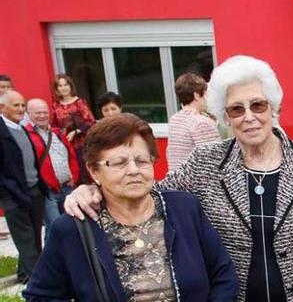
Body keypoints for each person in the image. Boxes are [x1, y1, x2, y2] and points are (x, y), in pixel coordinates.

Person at [66, 55, 293, 301]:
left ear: (273, 107)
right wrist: (93, 190)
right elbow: (151, 194)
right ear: (225, 116)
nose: (249, 117)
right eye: (237, 109)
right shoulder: (206, 162)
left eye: (258, 105)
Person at [24, 113, 239, 301]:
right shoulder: (74, 228)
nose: (134, 170)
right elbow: (40, 296)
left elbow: (223, 275)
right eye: (119, 163)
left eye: (142, 160)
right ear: (94, 171)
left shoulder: (184, 208)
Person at [0, 90, 46, 283]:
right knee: (25, 239)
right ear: (3, 107)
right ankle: (40, 282)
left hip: (34, 189)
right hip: (13, 194)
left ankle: (24, 275)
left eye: (22, 105)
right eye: (16, 105)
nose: (20, 109)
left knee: (35, 236)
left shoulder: (22, 128)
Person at [23, 98, 80, 244]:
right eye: (37, 113)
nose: (42, 116)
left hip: (67, 187)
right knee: (55, 226)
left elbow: (71, 156)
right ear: (28, 114)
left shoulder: (58, 133)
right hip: (48, 191)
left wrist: (74, 176)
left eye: (44, 112)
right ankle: (52, 260)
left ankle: (62, 256)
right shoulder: (26, 135)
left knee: (71, 225)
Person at [166, 73, 221, 172]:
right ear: (196, 95)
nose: (207, 99)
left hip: (175, 183)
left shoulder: (174, 119)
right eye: (206, 94)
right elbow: (214, 162)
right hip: (196, 185)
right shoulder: (203, 123)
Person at [49, 74, 96, 141]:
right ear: (56, 89)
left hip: (82, 140)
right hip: (64, 141)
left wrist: (75, 132)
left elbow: (91, 122)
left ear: (70, 86)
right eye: (60, 86)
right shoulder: (55, 106)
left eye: (66, 85)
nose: (64, 88)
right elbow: (53, 125)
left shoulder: (79, 102)